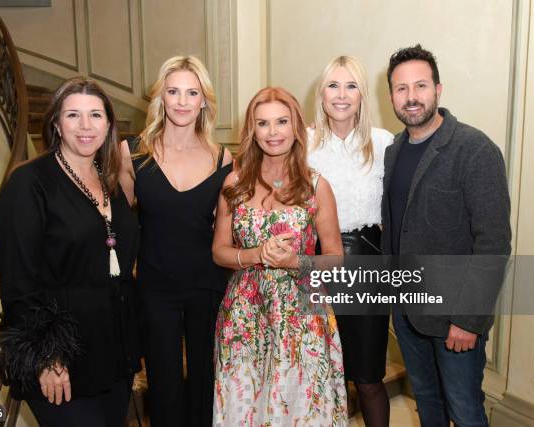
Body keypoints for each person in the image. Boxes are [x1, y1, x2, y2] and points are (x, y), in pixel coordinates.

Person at [0, 77, 142, 426]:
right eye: (73, 115)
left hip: (112, 353)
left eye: (96, 115)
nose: (86, 126)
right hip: (60, 359)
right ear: (56, 124)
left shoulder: (111, 181)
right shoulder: (30, 183)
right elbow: (18, 280)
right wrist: (47, 355)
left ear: (109, 125)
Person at [382, 44, 511, 427]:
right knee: (427, 403)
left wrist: (468, 320)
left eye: (420, 86)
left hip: (455, 317)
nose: (411, 97)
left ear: (438, 89)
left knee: (465, 410)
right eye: (401, 88)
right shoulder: (394, 150)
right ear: (391, 95)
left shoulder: (475, 150)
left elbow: (493, 243)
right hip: (407, 312)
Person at [212, 87, 348, 426]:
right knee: (245, 406)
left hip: (302, 316)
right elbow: (219, 251)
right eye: (263, 123)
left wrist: (294, 262)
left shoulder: (317, 186)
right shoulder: (235, 182)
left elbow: (335, 257)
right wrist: (257, 254)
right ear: (252, 131)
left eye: (281, 122)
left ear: (296, 127)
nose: (273, 132)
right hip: (244, 315)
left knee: (300, 408)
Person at [119, 55, 232, 427]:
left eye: (192, 92)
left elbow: (227, 229)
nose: (182, 101)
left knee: (205, 383)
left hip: (208, 285)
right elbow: (118, 225)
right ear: (161, 98)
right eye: (173, 91)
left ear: (204, 100)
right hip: (154, 288)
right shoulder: (133, 152)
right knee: (164, 388)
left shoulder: (222, 158)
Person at [307, 55, 393, 427]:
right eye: (333, 85)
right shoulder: (303, 141)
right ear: (322, 93)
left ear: (362, 95)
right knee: (321, 374)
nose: (341, 95)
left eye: (351, 85)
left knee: (370, 377)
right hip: (315, 264)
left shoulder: (384, 143)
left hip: (368, 265)